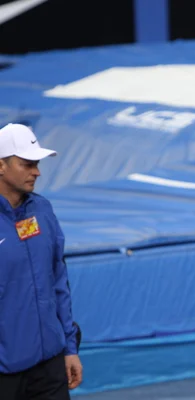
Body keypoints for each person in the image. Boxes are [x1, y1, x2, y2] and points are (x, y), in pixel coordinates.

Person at [0, 123, 83, 399]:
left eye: (36, 164)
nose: (36, 172)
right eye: (27, 164)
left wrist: (69, 348)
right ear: (1, 166)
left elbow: (58, 281)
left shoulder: (42, 209)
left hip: (49, 369)